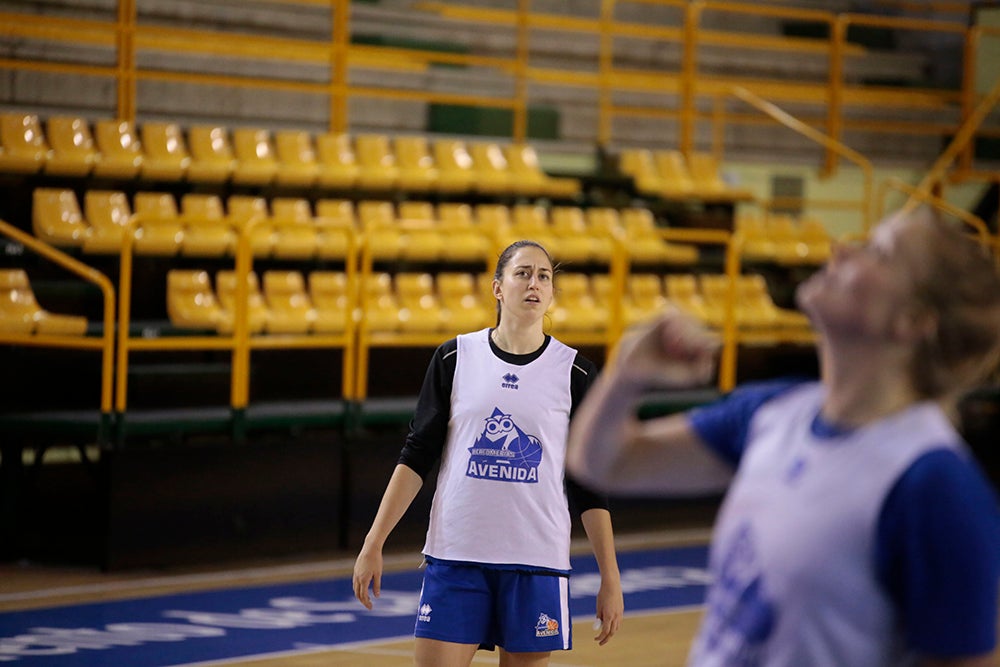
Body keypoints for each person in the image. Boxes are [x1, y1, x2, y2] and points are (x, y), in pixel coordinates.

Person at [566, 206, 1000, 666]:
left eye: (879, 252)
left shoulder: (936, 487)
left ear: (912, 321)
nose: (842, 248)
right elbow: (604, 462)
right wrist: (626, 376)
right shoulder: (773, 411)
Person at [354, 240, 624, 667]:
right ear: (497, 288)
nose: (533, 283)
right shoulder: (454, 357)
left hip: (536, 563)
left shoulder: (575, 373)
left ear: (552, 292)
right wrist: (374, 542)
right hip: (456, 556)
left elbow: (588, 484)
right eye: (522, 273)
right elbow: (416, 455)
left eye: (544, 276)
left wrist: (610, 576)